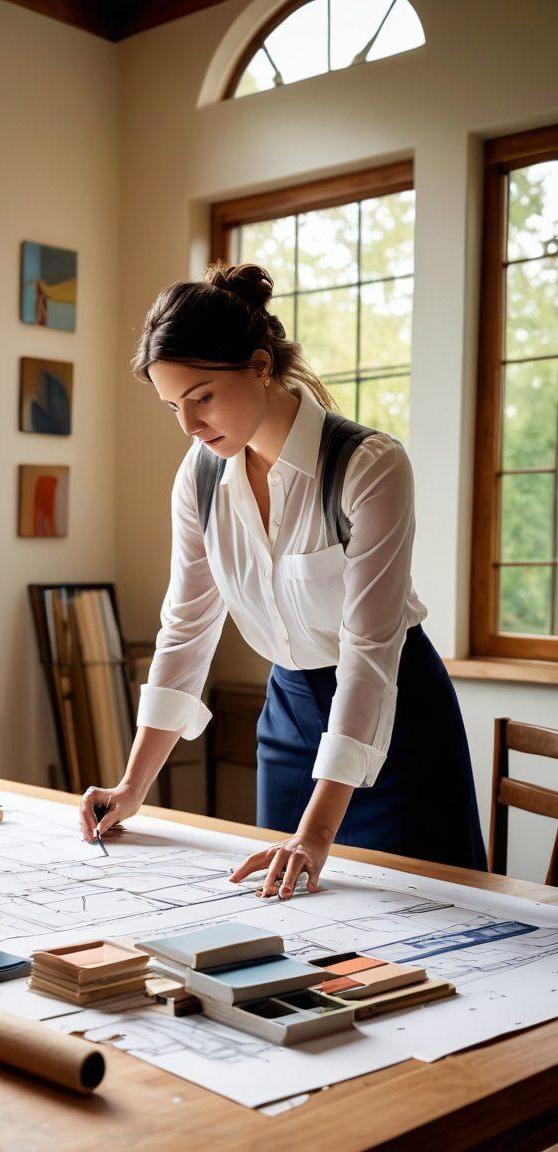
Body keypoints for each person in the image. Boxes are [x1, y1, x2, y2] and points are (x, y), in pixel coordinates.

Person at [78, 260, 487, 900]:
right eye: (172, 406)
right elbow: (186, 627)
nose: (188, 424)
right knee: (294, 923)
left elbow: (370, 652)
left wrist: (317, 832)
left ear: (261, 366)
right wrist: (132, 786)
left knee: (427, 930)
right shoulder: (201, 476)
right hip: (290, 718)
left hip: (395, 718)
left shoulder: (368, 466)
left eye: (203, 396)